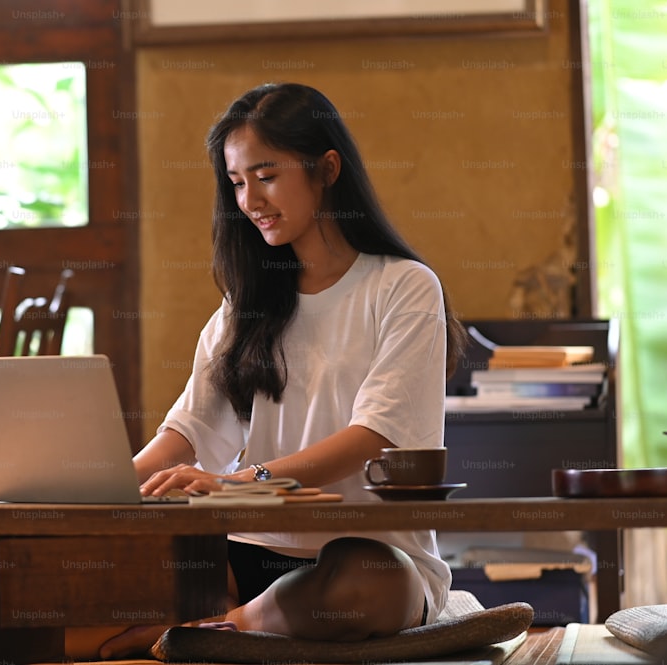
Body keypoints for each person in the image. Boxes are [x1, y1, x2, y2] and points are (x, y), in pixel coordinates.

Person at [78, 81, 466, 659]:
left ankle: (220, 627)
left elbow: (374, 435)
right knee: (103, 579)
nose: (250, 199)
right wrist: (94, 492)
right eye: (236, 183)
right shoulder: (243, 306)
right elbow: (186, 435)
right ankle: (237, 621)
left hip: (368, 556)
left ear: (327, 168)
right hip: (243, 551)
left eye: (266, 175)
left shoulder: (403, 286)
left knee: (364, 585)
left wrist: (245, 480)